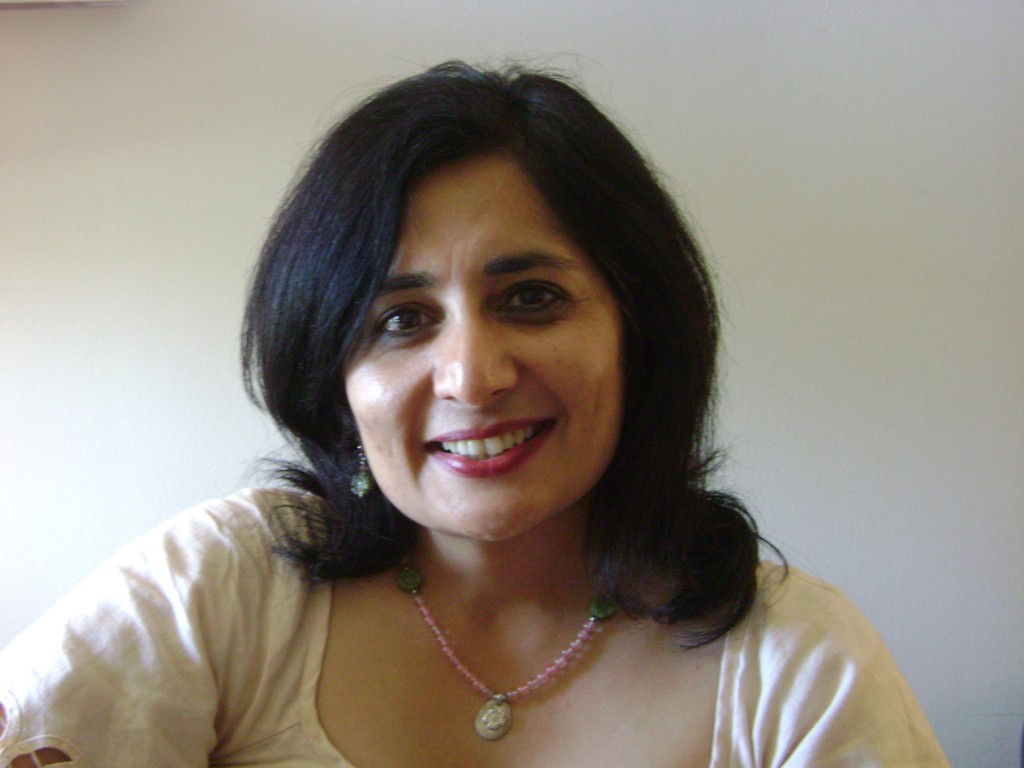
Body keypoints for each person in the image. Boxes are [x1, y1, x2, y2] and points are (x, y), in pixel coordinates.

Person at [0, 61, 948, 767]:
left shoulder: (798, 667)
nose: (472, 376)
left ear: (641, 332)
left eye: (532, 299)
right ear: (335, 376)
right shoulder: (224, 589)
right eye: (401, 320)